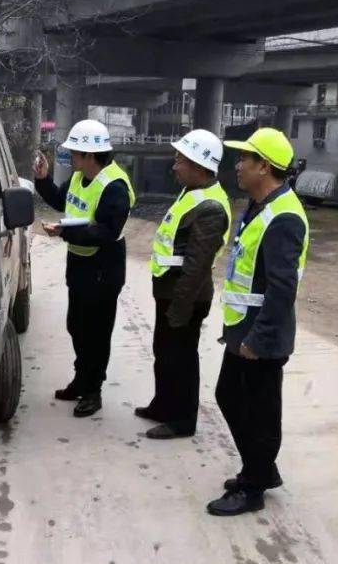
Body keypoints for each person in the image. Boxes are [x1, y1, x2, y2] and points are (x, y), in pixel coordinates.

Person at [207, 128, 309, 517]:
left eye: (244, 160)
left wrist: (259, 339)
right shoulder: (261, 206)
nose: (237, 166)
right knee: (231, 397)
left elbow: (283, 288)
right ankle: (260, 468)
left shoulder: (283, 217)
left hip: (260, 335)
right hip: (245, 329)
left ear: (263, 166)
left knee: (259, 410)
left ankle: (253, 487)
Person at [34, 119, 136, 418]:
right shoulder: (80, 178)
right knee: (76, 325)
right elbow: (61, 199)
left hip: (103, 269)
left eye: (75, 152)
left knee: (96, 332)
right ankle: (81, 380)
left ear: (90, 155)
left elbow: (107, 231)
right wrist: (43, 180)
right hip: (79, 263)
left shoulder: (114, 186)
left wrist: (64, 232)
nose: (70, 157)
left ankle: (93, 391)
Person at [135, 129, 231, 440]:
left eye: (181, 160)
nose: (174, 166)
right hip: (170, 292)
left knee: (181, 358)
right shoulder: (192, 191)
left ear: (200, 166)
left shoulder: (212, 208)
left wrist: (180, 307)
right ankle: (163, 405)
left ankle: (182, 420)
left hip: (186, 296)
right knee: (164, 352)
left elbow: (197, 266)